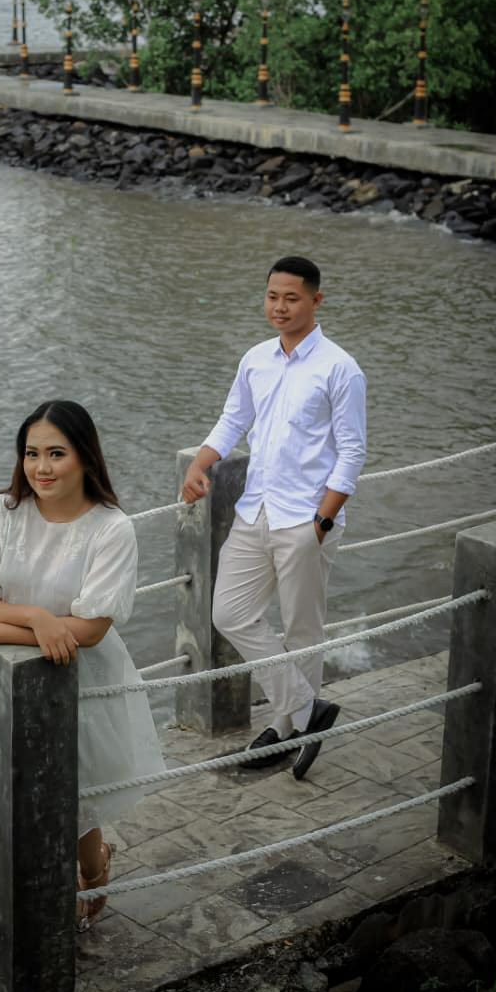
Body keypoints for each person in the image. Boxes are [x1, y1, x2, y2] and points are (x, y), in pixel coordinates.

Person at [0, 399, 164, 931]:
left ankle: (94, 867)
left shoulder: (112, 529)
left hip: (81, 674)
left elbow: (89, 631)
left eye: (56, 454)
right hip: (6, 679)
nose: (41, 468)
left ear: (85, 457)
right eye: (31, 453)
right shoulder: (3, 513)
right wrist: (37, 619)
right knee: (19, 788)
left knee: (77, 790)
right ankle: (45, 894)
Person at [181, 256, 366, 780]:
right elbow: (233, 419)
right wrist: (199, 464)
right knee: (229, 612)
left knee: (303, 628)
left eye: (291, 298)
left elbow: (352, 452)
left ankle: (287, 731)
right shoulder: (256, 359)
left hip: (306, 520)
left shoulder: (340, 368)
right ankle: (308, 711)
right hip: (255, 509)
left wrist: (321, 523)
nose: (279, 307)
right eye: (272, 297)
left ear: (315, 301)